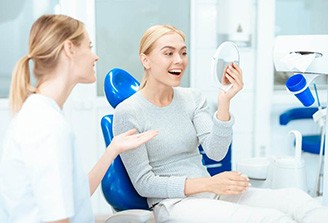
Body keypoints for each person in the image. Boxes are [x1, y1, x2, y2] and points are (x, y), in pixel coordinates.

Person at [113, 24, 328, 223]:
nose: (179, 59)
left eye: (183, 52)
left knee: (297, 200)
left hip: (212, 193)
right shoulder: (128, 112)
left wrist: (225, 101)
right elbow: (145, 184)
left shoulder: (192, 98)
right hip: (174, 204)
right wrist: (210, 183)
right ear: (146, 60)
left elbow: (216, 152)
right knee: (271, 219)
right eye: (169, 53)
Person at [0, 14, 158, 223]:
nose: (95, 57)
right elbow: (57, 219)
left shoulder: (42, 114)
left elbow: (76, 198)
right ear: (69, 49)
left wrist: (113, 149)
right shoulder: (46, 125)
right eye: (89, 46)